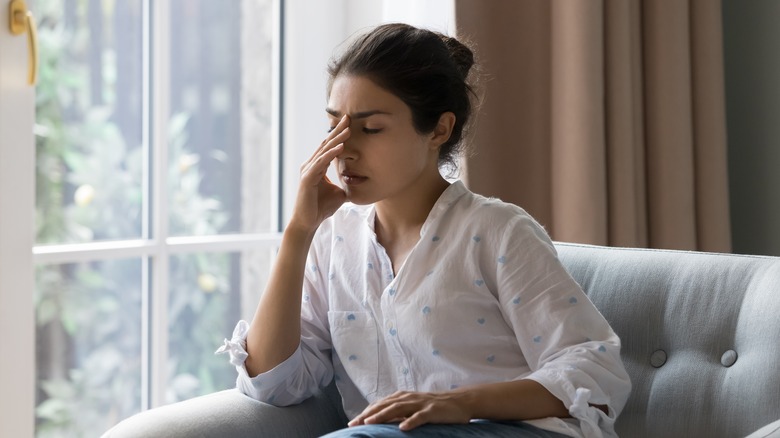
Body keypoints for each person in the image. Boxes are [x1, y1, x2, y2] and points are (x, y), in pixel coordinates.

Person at [217, 23, 631, 438]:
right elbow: (273, 383)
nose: (344, 150)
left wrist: (459, 404)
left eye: (371, 128)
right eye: (334, 127)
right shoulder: (333, 240)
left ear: (438, 130)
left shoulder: (497, 231)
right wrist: (298, 232)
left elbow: (593, 368)